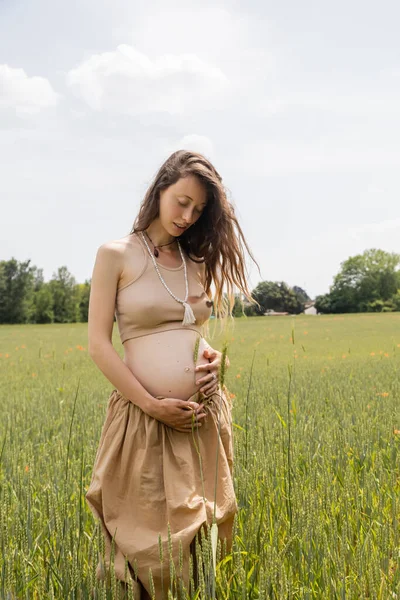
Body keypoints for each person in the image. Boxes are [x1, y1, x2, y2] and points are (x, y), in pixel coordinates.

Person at [85, 150, 259, 599]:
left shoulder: (195, 261)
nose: (188, 215)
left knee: (206, 535)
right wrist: (152, 404)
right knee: (147, 542)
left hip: (201, 419)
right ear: (160, 189)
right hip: (145, 419)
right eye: (182, 201)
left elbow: (193, 333)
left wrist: (214, 360)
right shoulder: (116, 255)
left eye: (199, 209)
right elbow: (99, 345)